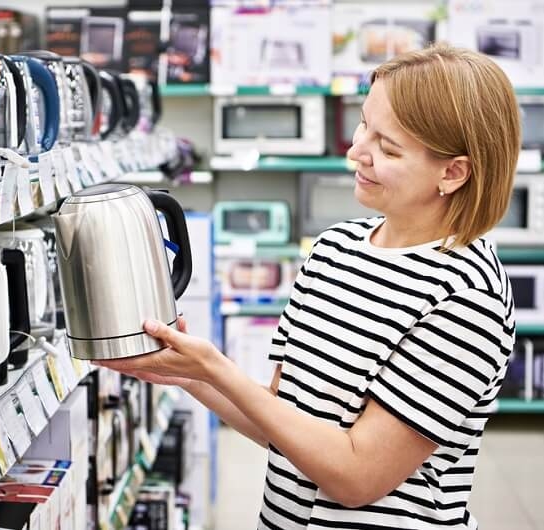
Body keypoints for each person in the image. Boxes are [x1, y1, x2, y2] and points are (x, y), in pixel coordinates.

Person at [95, 43, 520, 530]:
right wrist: (189, 375)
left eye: (388, 147)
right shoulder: (334, 250)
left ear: (453, 172)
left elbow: (356, 477)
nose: (356, 151)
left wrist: (214, 365)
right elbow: (282, 423)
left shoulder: (467, 296)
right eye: (364, 124)